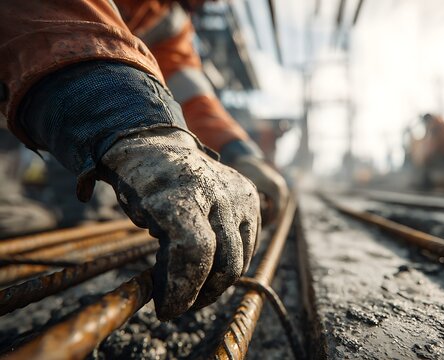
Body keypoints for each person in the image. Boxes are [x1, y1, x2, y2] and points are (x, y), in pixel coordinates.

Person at [0, 0, 288, 321]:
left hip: (42, 107)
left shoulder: (170, 19)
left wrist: (241, 154)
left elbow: (191, 95)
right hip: (22, 92)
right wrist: (134, 121)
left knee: (73, 211)